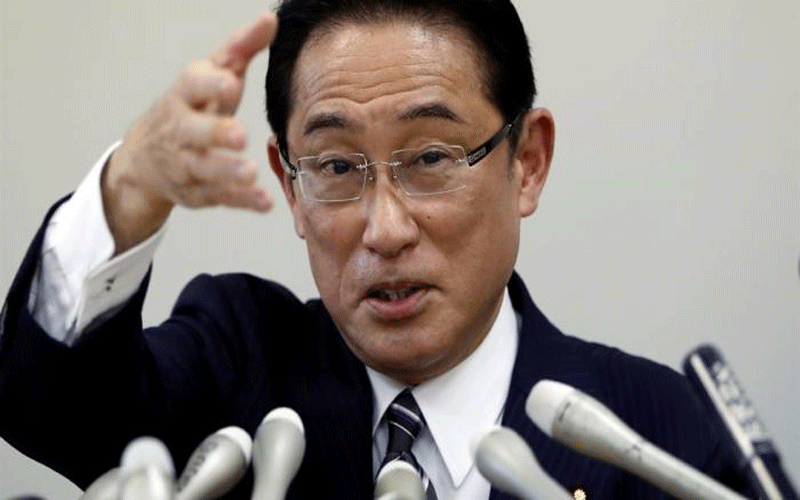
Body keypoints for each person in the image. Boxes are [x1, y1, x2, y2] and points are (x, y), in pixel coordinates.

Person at [0, 0, 752, 498]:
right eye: (335, 167)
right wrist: (131, 186)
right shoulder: (241, 362)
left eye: (431, 158)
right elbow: (53, 408)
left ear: (528, 162)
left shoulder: (656, 429)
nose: (385, 229)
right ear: (290, 186)